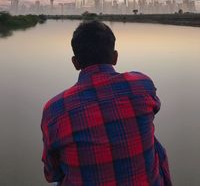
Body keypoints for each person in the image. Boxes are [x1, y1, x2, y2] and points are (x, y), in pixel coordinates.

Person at [41, 20, 172, 186]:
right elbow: (154, 108)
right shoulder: (142, 85)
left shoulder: (55, 110)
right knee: (153, 143)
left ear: (75, 63)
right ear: (115, 57)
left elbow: (51, 173)